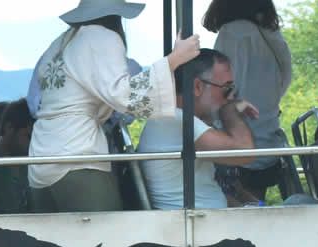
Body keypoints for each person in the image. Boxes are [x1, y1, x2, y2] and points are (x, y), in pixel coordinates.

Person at [28, 0, 200, 214]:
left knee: (51, 243)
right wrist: (174, 60)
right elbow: (125, 96)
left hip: (39, 156)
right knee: (106, 238)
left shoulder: (59, 43)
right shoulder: (102, 37)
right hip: (78, 153)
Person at [137, 49, 259, 210]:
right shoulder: (178, 119)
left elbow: (206, 190)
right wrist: (230, 111)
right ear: (197, 87)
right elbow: (244, 152)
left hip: (201, 221)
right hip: (196, 228)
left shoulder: (174, 118)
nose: (230, 97)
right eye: (227, 89)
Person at [204, 0, 292, 202]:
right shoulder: (272, 34)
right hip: (268, 140)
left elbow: (222, 87)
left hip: (236, 144)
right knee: (253, 206)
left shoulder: (233, 32)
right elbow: (284, 81)